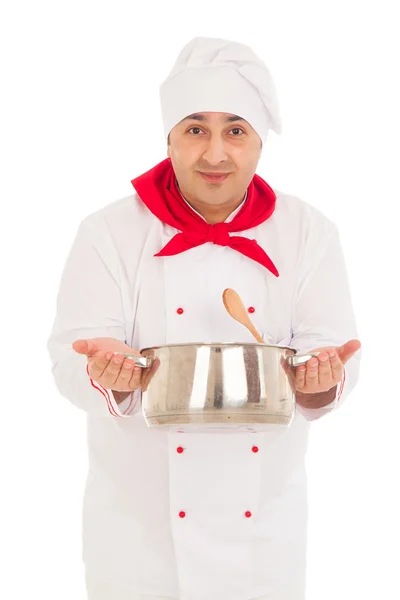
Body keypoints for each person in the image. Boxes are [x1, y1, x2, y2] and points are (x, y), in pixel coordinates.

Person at [47, 37, 361, 600]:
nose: (215, 154)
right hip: (138, 542)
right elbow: (72, 356)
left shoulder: (308, 232)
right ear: (169, 137)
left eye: (235, 131)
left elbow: (328, 348)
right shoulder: (109, 233)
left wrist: (322, 378)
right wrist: (105, 375)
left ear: (260, 143)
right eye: (196, 129)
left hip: (262, 538)